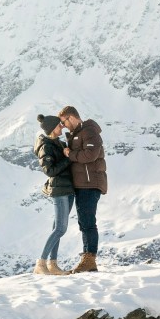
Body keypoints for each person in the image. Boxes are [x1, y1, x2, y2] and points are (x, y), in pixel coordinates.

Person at [58, 105, 107, 272]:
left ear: (71, 117)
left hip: (90, 183)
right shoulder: (77, 134)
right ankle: (87, 259)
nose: (63, 125)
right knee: (84, 222)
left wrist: (69, 154)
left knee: (88, 222)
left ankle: (90, 260)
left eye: (64, 122)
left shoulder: (89, 131)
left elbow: (90, 155)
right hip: (82, 184)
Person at [33, 113, 75, 275]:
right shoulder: (46, 146)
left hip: (67, 189)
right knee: (60, 229)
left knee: (57, 228)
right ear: (52, 128)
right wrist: (67, 158)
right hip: (59, 190)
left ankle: (53, 265)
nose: (62, 126)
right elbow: (50, 171)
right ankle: (41, 263)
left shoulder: (56, 142)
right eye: (59, 125)